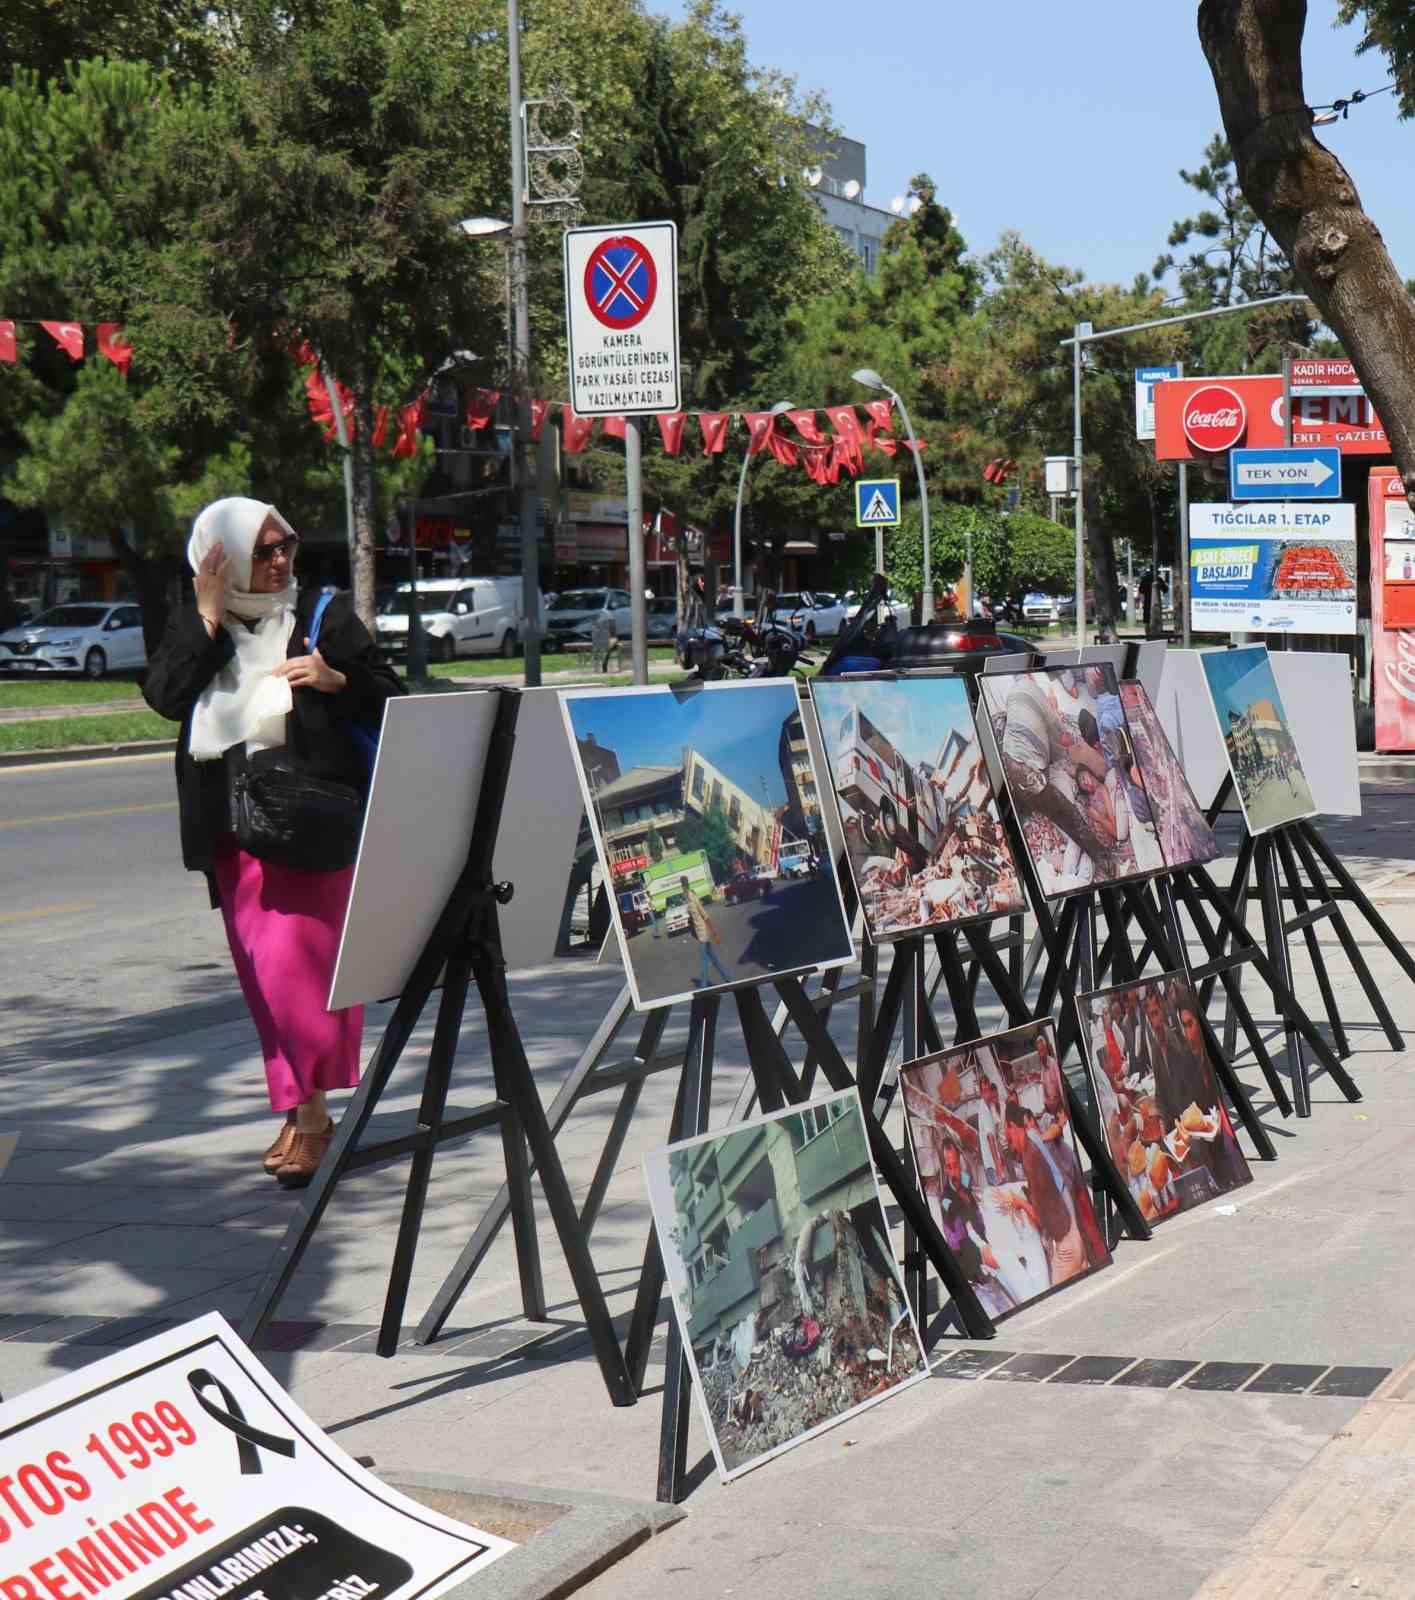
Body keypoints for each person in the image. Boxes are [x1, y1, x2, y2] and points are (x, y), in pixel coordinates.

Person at [143, 497, 404, 1187]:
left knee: (298, 976)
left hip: (309, 824)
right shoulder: (197, 621)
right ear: (216, 557)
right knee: (265, 982)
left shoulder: (322, 616)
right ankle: (300, 1109)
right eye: (261, 551)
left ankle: (312, 1118)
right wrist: (203, 615)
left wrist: (334, 679)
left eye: (283, 543)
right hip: (231, 832)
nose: (280, 559)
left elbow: (389, 694)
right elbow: (166, 695)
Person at [1003, 1102, 1087, 1285]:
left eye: (1007, 1134)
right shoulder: (1033, 1136)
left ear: (1012, 1126)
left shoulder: (1029, 1159)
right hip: (1071, 1224)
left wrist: (1019, 1202)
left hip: (1065, 1239)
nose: (1007, 1140)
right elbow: (1050, 1133)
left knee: (1058, 1289)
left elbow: (1040, 1219)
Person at [683, 874, 731, 988]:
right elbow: (692, 917)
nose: (683, 888)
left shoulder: (693, 897)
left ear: (685, 885)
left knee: (704, 961)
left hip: (703, 934)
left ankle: (703, 987)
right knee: (715, 960)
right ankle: (729, 980)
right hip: (699, 934)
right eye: (682, 885)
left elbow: (705, 915)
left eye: (683, 885)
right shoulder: (686, 897)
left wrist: (714, 933)